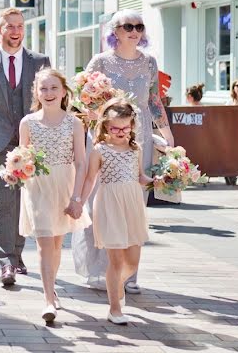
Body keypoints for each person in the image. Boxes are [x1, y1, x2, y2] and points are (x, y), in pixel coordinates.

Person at [71, 9, 173, 295]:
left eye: (139, 26)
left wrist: (169, 138)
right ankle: (100, 270)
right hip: (104, 140)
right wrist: (97, 115)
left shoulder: (149, 63)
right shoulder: (100, 61)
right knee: (99, 204)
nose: (134, 31)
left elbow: (154, 102)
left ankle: (129, 273)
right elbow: (80, 99)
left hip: (137, 141)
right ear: (114, 31)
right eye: (128, 26)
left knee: (132, 205)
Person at [0, 7, 51, 286]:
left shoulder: (40, 61)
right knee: (5, 200)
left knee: (23, 200)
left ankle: (16, 253)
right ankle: (7, 261)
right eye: (9, 26)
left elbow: (48, 100)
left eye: (19, 26)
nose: (15, 31)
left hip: (32, 143)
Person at [18, 68, 90, 324]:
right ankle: (48, 299)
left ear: (63, 91)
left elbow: (81, 163)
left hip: (64, 186)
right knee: (44, 243)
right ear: (36, 92)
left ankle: (52, 287)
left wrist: (77, 198)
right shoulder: (27, 122)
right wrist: (13, 171)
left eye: (53, 88)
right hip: (37, 188)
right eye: (43, 88)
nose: (48, 93)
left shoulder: (74, 122)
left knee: (57, 244)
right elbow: (21, 157)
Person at [77, 98, 152, 326]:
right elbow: (90, 179)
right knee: (117, 261)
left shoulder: (135, 149)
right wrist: (79, 202)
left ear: (132, 127)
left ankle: (117, 286)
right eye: (115, 128)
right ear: (106, 127)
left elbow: (140, 177)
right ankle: (114, 308)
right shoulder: (100, 150)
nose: (121, 132)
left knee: (132, 261)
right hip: (109, 205)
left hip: (132, 205)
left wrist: (159, 181)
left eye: (125, 127)